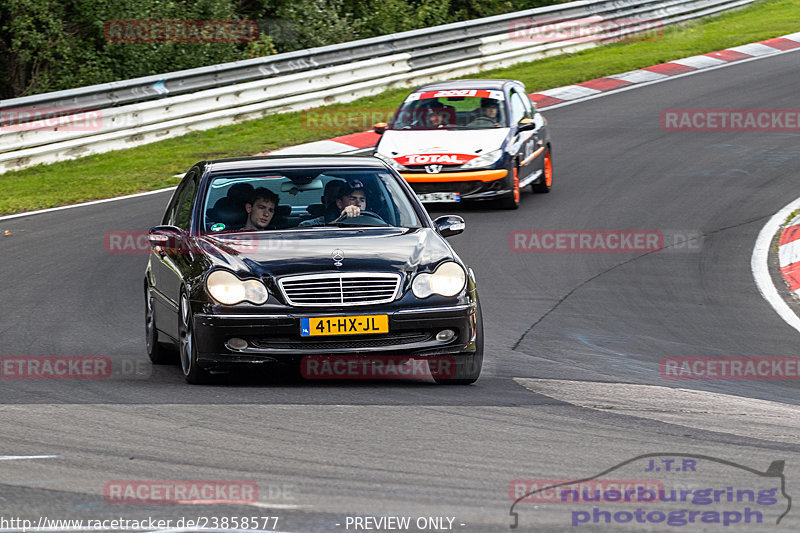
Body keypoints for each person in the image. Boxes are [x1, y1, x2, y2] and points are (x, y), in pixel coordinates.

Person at [300, 179, 367, 226]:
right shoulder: (310, 225)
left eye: (362, 200)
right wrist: (342, 219)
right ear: (339, 203)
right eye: (352, 199)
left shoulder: (374, 223)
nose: (358, 204)